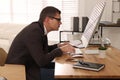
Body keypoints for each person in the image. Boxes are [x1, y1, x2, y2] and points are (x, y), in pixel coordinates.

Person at [5, 6, 75, 80]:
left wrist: (58, 46)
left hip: (32, 66)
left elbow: (41, 50)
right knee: (66, 75)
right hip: (22, 71)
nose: (60, 23)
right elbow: (41, 61)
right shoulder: (34, 32)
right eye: (58, 20)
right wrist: (60, 50)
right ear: (47, 19)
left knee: (64, 68)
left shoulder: (39, 29)